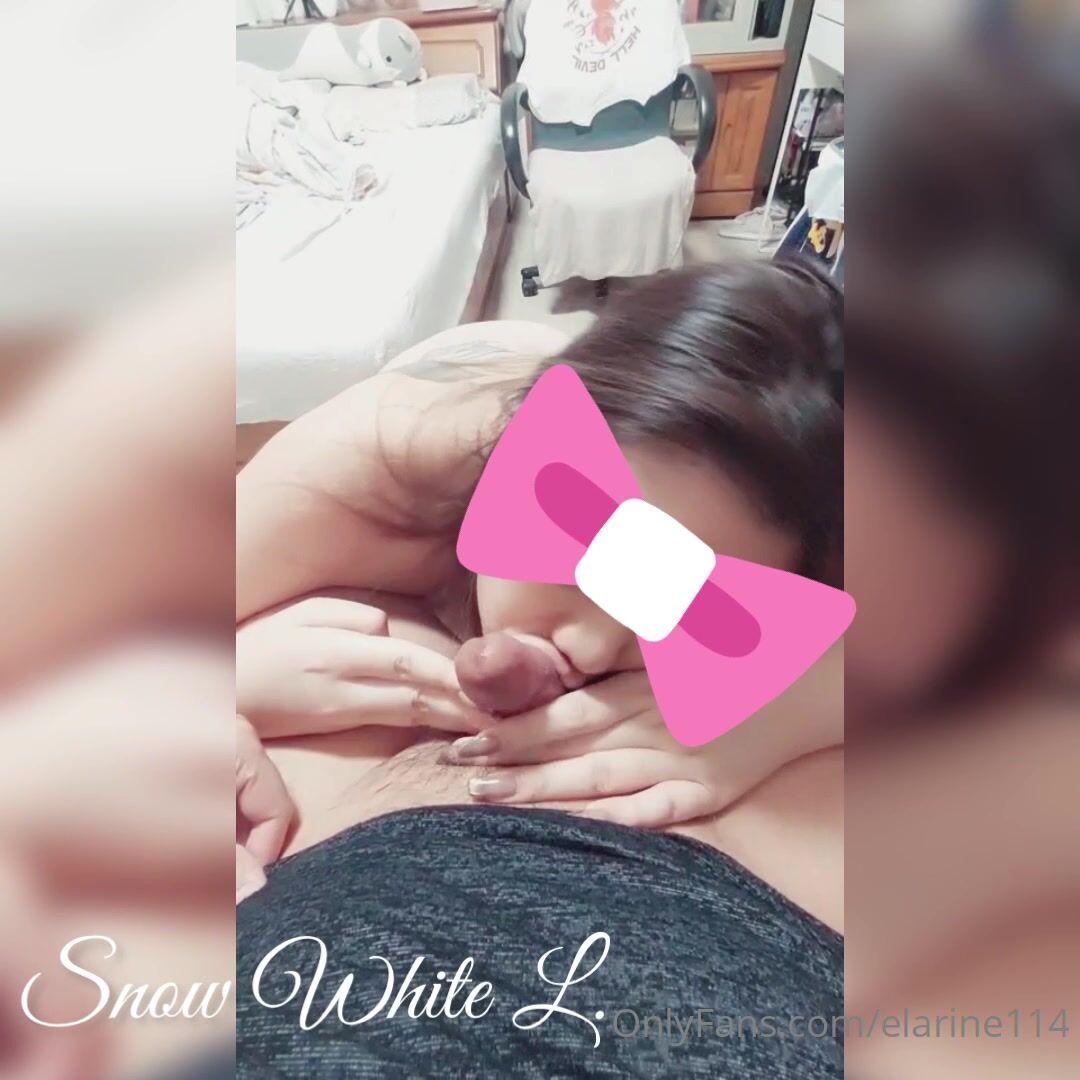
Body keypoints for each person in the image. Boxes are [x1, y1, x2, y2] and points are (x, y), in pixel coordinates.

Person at [235, 260, 846, 1077]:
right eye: (584, 554)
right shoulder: (388, 464)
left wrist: (811, 697)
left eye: (688, 609)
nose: (592, 647)